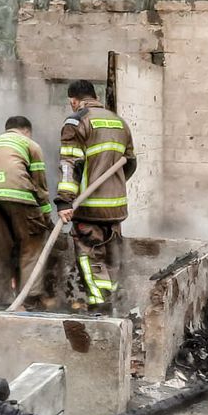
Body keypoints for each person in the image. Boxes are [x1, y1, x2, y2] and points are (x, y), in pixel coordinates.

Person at [55, 80, 136, 311]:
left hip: (89, 207)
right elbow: (130, 163)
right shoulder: (120, 122)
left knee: (89, 257)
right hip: (116, 208)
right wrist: (114, 185)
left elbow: (70, 164)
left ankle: (100, 306)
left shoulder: (76, 121)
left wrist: (64, 200)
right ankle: (115, 303)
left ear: (73, 100)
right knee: (112, 258)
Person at [0, 116, 55, 308]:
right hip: (19, 193)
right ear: (26, 130)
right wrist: (46, 218)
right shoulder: (29, 143)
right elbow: (40, 185)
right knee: (31, 245)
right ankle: (30, 299)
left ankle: (2, 300)